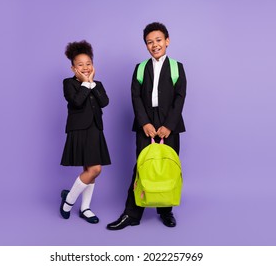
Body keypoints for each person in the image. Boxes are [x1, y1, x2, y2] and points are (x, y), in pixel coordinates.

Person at [107, 22, 187, 230]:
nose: (155, 45)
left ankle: (166, 211)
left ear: (167, 41)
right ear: (146, 46)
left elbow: (180, 97)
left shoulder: (177, 67)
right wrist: (144, 122)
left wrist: (169, 125)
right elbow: (135, 97)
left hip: (170, 125)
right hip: (146, 125)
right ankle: (132, 214)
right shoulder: (140, 68)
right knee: (142, 168)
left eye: (158, 40)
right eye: (150, 42)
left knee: (167, 167)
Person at [60, 40, 111, 224]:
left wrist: (91, 83)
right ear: (73, 68)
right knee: (94, 169)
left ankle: (85, 208)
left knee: (91, 170)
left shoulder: (97, 84)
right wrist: (84, 84)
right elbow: (76, 102)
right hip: (79, 130)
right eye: (80, 65)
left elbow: (104, 102)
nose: (85, 67)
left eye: (88, 63)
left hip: (95, 128)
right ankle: (69, 200)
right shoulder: (68, 83)